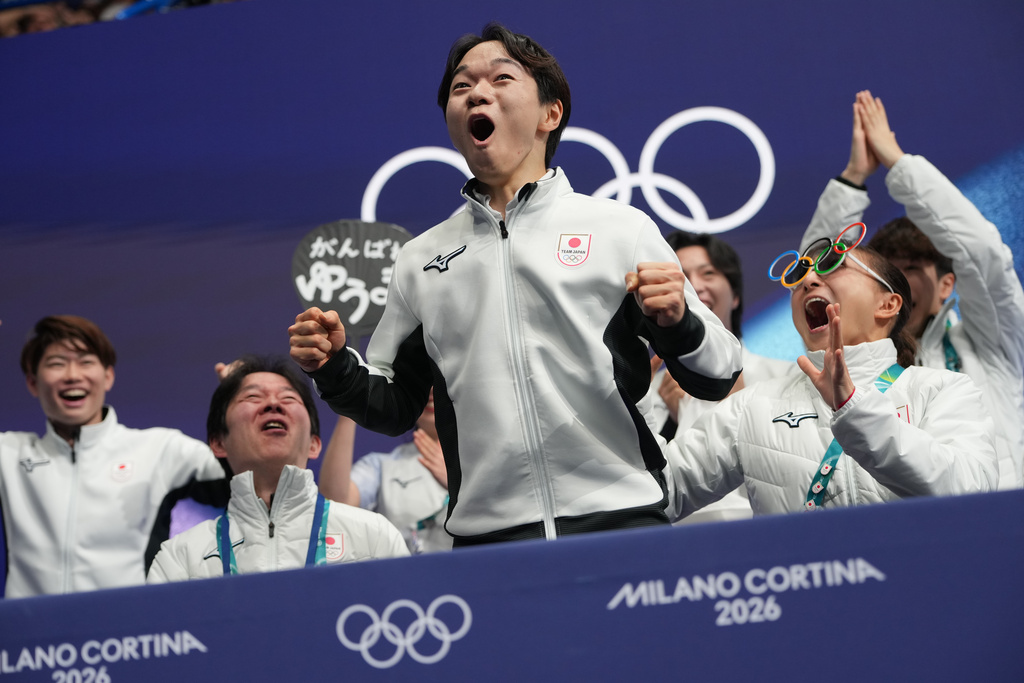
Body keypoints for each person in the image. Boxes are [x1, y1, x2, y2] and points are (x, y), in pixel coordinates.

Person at [289, 23, 742, 546]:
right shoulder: (420, 259)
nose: (478, 92)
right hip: (488, 540)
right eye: (462, 87)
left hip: (621, 518)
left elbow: (720, 373)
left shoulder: (621, 229)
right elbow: (393, 406)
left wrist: (679, 321)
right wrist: (336, 366)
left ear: (551, 114)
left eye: (501, 78)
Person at [662, 235, 998, 519]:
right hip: (805, 591)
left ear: (888, 304)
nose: (808, 280)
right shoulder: (753, 405)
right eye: (798, 275)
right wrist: (627, 405)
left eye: (832, 267)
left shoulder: (942, 389)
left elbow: (970, 492)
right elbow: (663, 490)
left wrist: (855, 409)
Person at [802, 90, 1024, 490]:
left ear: (946, 284)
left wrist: (897, 162)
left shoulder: (991, 343)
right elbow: (813, 277)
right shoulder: (851, 366)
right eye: (890, 274)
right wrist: (851, 179)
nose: (901, 285)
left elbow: (982, 254)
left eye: (912, 271)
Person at [0, 315, 230, 598]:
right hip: (31, 637)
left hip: (130, 634)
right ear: (33, 382)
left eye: (86, 362)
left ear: (108, 376)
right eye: (56, 363)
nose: (73, 374)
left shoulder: (161, 449)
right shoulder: (8, 455)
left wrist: (237, 405)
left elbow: (246, 485)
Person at [148, 356, 408, 582]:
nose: (273, 404)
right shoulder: (179, 559)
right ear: (218, 443)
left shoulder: (373, 537)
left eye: (288, 397)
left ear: (314, 445)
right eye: (252, 396)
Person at [650, 231, 796, 524]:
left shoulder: (786, 377)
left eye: (708, 273)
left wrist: (732, 409)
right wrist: (671, 423)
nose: (695, 286)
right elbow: (641, 487)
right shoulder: (649, 390)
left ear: (736, 296)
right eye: (682, 276)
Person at [319, 390, 451, 554]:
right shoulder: (382, 466)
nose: (431, 391)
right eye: (424, 381)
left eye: (437, 380)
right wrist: (349, 406)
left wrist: (457, 484)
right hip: (401, 575)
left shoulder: (482, 460)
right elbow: (336, 504)